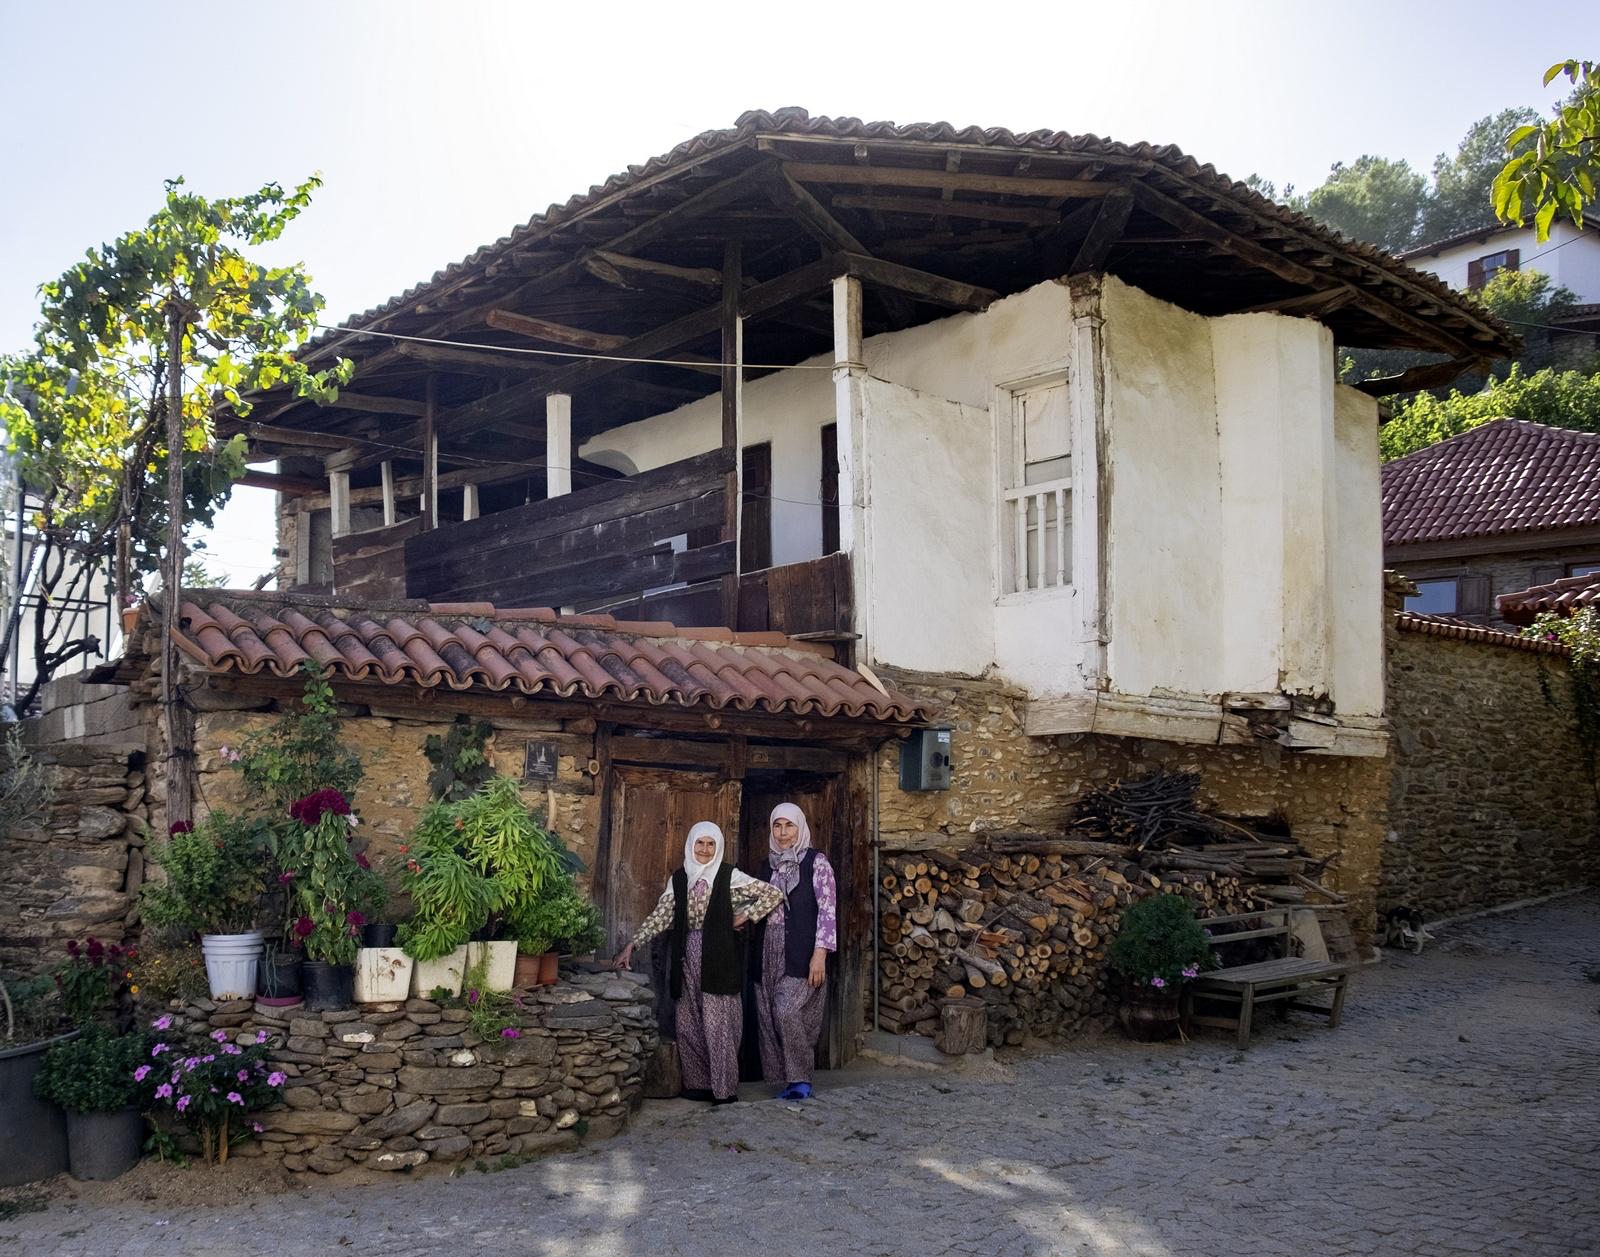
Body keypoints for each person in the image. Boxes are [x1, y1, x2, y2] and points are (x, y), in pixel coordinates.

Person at [614, 820, 781, 1104]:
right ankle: (699, 1084)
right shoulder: (680, 879)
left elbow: (773, 894)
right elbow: (660, 916)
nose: (704, 849)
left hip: (720, 955)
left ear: (718, 847)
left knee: (719, 1023)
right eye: (700, 843)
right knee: (689, 1021)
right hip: (687, 955)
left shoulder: (729, 876)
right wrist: (633, 944)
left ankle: (724, 1089)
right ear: (691, 845)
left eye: (711, 844)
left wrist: (744, 916)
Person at [752, 803, 838, 1101]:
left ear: (800, 828)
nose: (783, 832)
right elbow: (757, 907)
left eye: (789, 825)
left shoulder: (816, 863)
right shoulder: (767, 866)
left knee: (786, 1010)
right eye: (777, 826)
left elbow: (827, 910)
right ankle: (784, 1080)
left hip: (801, 949)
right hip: (767, 948)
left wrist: (820, 953)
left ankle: (801, 1078)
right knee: (768, 1014)